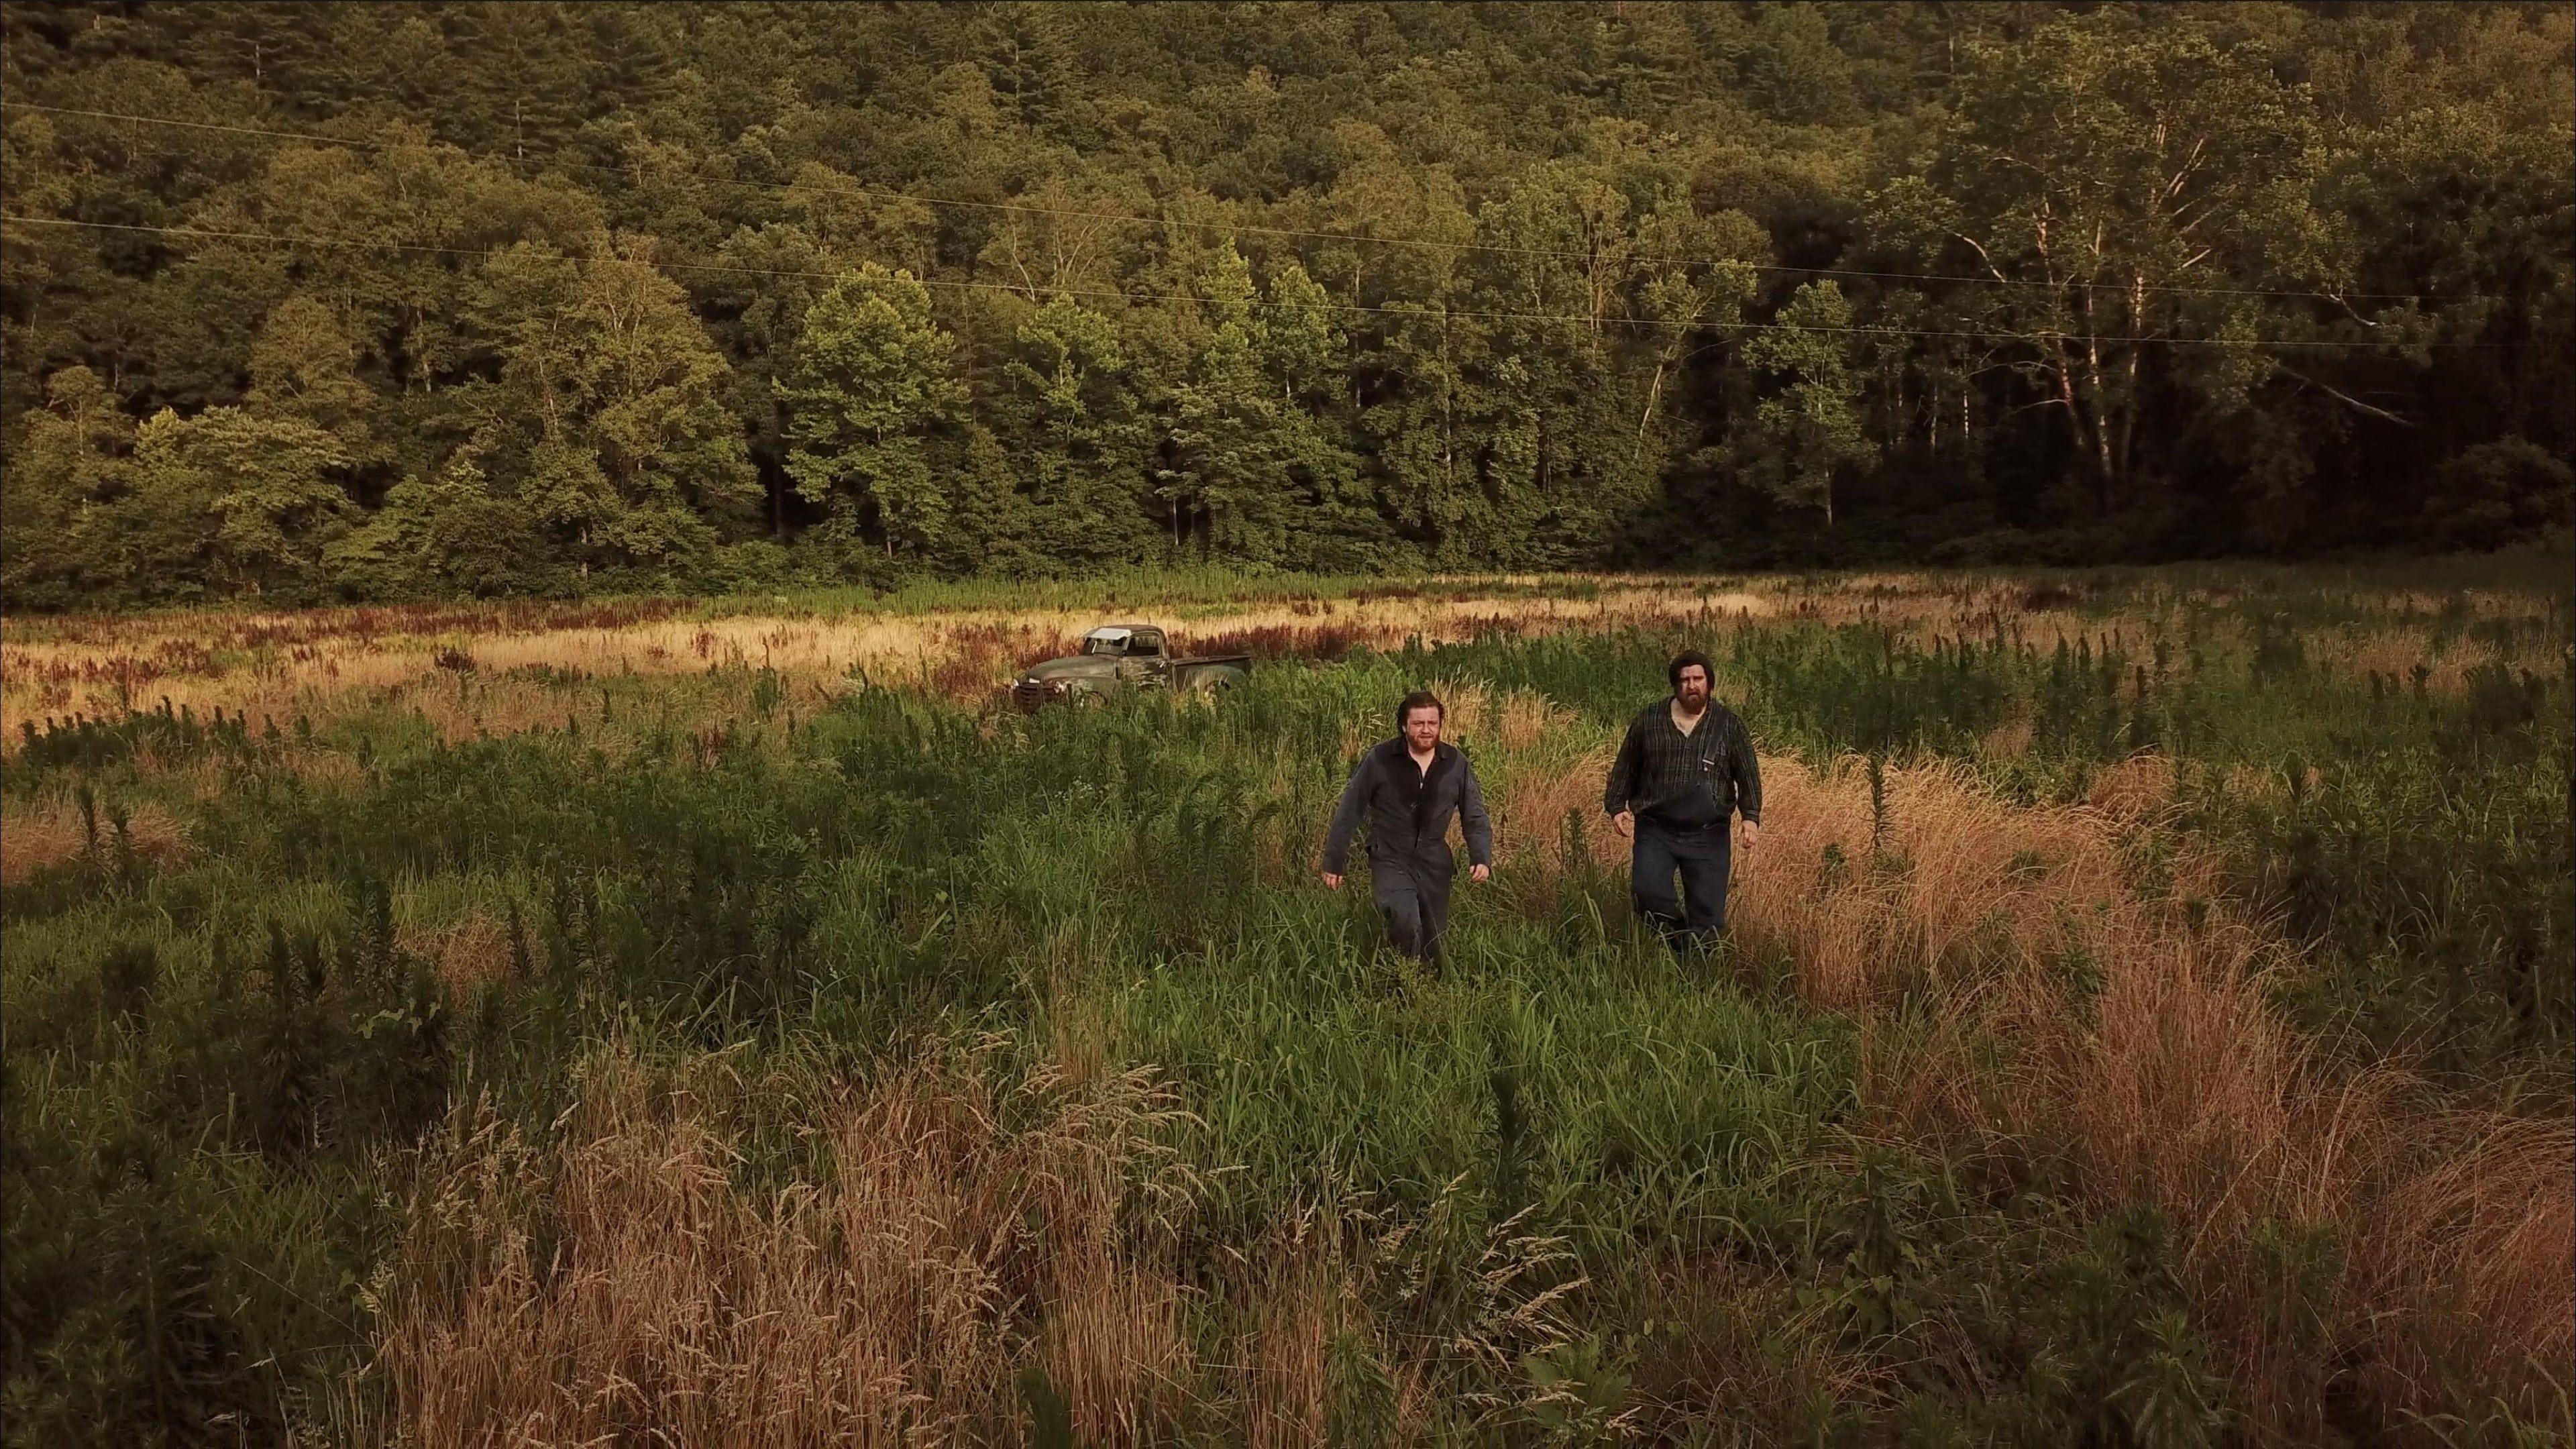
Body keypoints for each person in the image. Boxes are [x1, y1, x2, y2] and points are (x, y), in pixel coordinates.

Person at [1603, 651, 1762, 953]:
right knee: (1648, 894)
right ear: (1675, 685)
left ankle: (1698, 972)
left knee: (1707, 914)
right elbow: (1626, 764)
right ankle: (1675, 943)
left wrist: (1750, 816)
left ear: (1709, 683)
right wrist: (1616, 806)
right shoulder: (1649, 720)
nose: (1692, 686)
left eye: (1698, 679)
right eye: (1685, 680)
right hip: (1656, 830)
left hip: (1708, 834)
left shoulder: (1728, 725)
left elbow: (1748, 773)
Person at [1321, 690, 1494, 962]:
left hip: (1434, 860)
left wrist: (1481, 856)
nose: (1426, 730)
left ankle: (1428, 992)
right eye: (1418, 723)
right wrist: (1334, 860)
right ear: (1404, 726)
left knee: (1434, 941)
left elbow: (1474, 813)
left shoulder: (1454, 763)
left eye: (1432, 723)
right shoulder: (1380, 760)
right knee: (1404, 919)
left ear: (1440, 725)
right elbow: (1350, 809)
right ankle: (1401, 984)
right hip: (1390, 856)